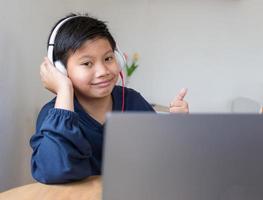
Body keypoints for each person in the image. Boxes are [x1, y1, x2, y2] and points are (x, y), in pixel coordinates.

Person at [30, 13, 189, 184]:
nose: (103, 71)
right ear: (60, 70)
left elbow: (161, 160)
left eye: (108, 58)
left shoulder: (132, 101)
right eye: (87, 63)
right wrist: (64, 90)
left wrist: (177, 128)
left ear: (118, 58)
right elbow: (54, 172)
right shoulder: (52, 114)